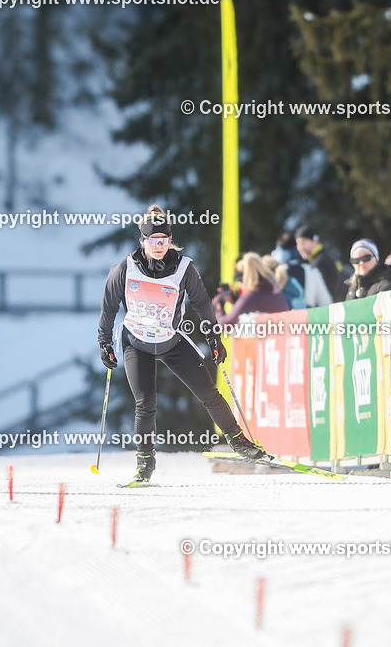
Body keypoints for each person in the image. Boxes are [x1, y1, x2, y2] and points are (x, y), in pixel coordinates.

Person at [97, 206, 265, 484]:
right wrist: (104, 342)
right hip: (136, 343)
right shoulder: (124, 269)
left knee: (208, 392)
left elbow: (202, 305)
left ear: (170, 240)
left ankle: (240, 443)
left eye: (164, 240)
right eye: (154, 240)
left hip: (171, 341)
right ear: (143, 240)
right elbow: (108, 308)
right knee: (146, 403)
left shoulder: (184, 267)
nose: (159, 246)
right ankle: (144, 465)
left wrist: (213, 337)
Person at [213, 253, 290, 324]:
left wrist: (218, 304)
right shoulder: (272, 287)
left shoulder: (251, 297)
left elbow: (223, 325)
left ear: (244, 281)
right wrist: (236, 301)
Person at [272, 231, 333, 307]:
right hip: (306, 316)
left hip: (280, 317)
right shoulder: (311, 271)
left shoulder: (271, 272)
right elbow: (325, 302)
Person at [295, 225, 346, 301]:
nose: (299, 247)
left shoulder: (319, 262)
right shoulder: (329, 254)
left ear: (314, 241)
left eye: (303, 242)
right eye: (298, 243)